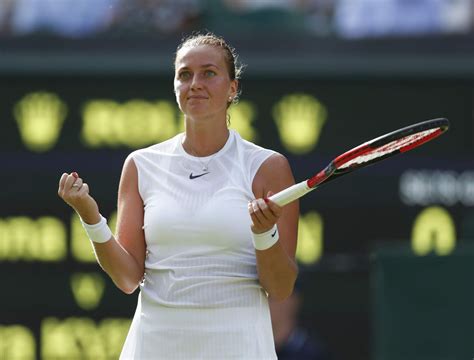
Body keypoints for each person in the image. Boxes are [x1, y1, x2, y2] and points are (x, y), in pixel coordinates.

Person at [58, 32, 299, 359]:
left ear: (232, 89)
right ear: (175, 87)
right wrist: (90, 217)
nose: (195, 83)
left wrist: (264, 233)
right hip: (155, 347)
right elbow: (128, 277)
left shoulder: (268, 168)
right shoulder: (141, 165)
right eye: (185, 75)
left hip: (237, 347)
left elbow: (280, 288)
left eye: (209, 73)